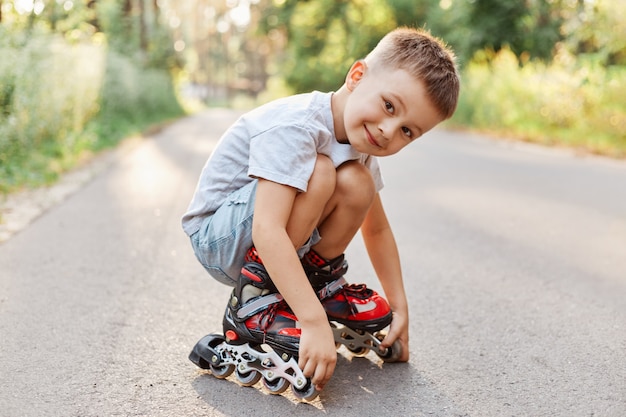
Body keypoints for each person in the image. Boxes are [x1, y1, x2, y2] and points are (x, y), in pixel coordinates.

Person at [182, 27, 460, 393]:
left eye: (407, 131)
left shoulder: (361, 145)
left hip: (269, 236)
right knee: (322, 170)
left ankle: (317, 284)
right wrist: (312, 322)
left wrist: (400, 307)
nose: (388, 130)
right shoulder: (299, 125)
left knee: (358, 181)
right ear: (357, 76)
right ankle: (252, 299)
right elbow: (267, 228)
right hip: (220, 239)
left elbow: (376, 230)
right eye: (389, 106)